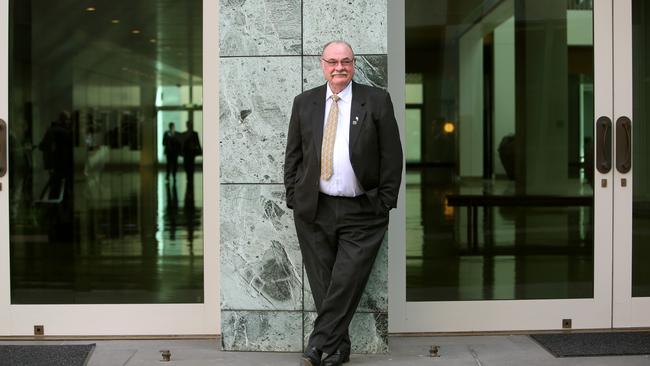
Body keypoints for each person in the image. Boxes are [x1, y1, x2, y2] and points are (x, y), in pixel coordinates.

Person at [284, 41, 403, 366]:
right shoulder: (304, 102)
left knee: (347, 279)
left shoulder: (376, 100)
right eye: (333, 61)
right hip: (314, 209)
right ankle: (337, 348)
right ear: (322, 64)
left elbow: (391, 156)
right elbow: (293, 154)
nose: (340, 67)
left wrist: (385, 202)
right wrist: (294, 197)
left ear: (354, 64)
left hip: (362, 210)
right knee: (325, 284)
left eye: (346, 61)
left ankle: (316, 346)